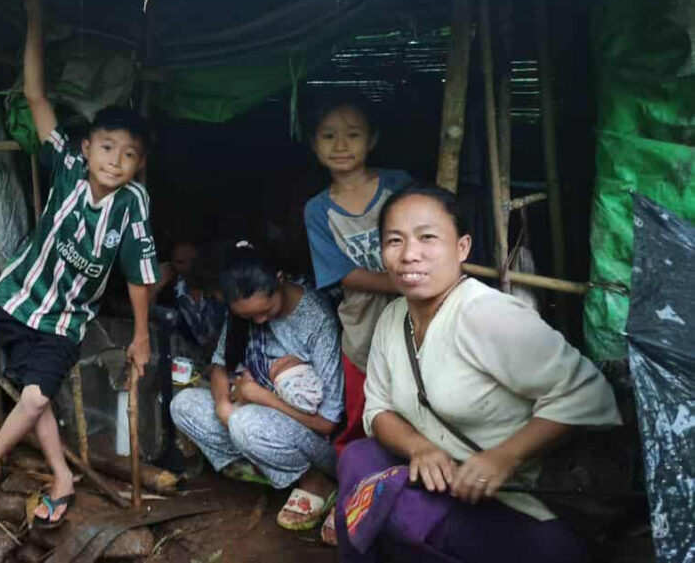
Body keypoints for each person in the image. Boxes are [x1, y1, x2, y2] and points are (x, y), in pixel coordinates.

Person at [0, 0, 160, 529]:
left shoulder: (133, 205)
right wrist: (34, 17)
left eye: (130, 154)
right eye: (108, 147)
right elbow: (37, 98)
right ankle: (63, 479)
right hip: (19, 297)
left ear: (140, 164)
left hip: (66, 319)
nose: (117, 161)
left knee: (37, 393)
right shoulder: (67, 164)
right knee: (34, 399)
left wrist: (140, 335)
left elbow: (141, 272)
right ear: (88, 146)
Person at [335, 185, 621, 562]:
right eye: (394, 240)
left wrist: (504, 458)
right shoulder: (392, 319)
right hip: (450, 486)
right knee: (358, 457)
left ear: (462, 247)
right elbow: (378, 409)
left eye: (428, 238)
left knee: (394, 513)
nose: (409, 255)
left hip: (524, 506)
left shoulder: (484, 314)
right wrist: (421, 448)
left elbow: (588, 393)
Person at [170, 243, 343, 531]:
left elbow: (327, 424)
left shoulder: (317, 320)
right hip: (250, 414)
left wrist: (260, 397)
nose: (259, 321)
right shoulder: (242, 313)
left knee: (245, 422)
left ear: (279, 279)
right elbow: (219, 368)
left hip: (310, 437)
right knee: (184, 404)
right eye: (249, 318)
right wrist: (224, 406)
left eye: (265, 311)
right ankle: (266, 462)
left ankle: (314, 479)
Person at [302, 90, 411, 542]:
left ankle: (403, 489)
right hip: (361, 325)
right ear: (313, 144)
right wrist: (408, 280)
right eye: (329, 136)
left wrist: (416, 287)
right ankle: (353, 494)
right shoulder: (318, 209)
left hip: (412, 317)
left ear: (373, 139)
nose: (341, 145)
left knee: (412, 402)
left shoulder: (398, 186)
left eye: (353, 134)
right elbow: (341, 273)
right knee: (359, 415)